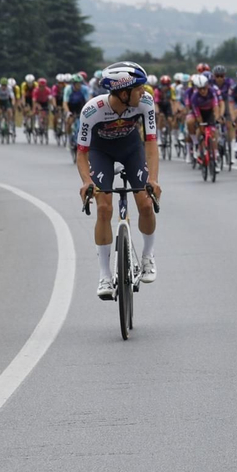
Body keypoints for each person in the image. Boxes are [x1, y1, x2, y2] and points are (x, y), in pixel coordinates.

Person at [76, 62, 161, 298]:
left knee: (145, 203)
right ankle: (104, 275)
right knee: (103, 208)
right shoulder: (92, 110)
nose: (144, 92)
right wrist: (86, 182)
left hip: (131, 149)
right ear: (124, 93)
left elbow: (151, 143)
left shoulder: (145, 103)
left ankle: (147, 256)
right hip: (100, 152)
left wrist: (153, 179)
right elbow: (81, 153)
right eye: (139, 88)